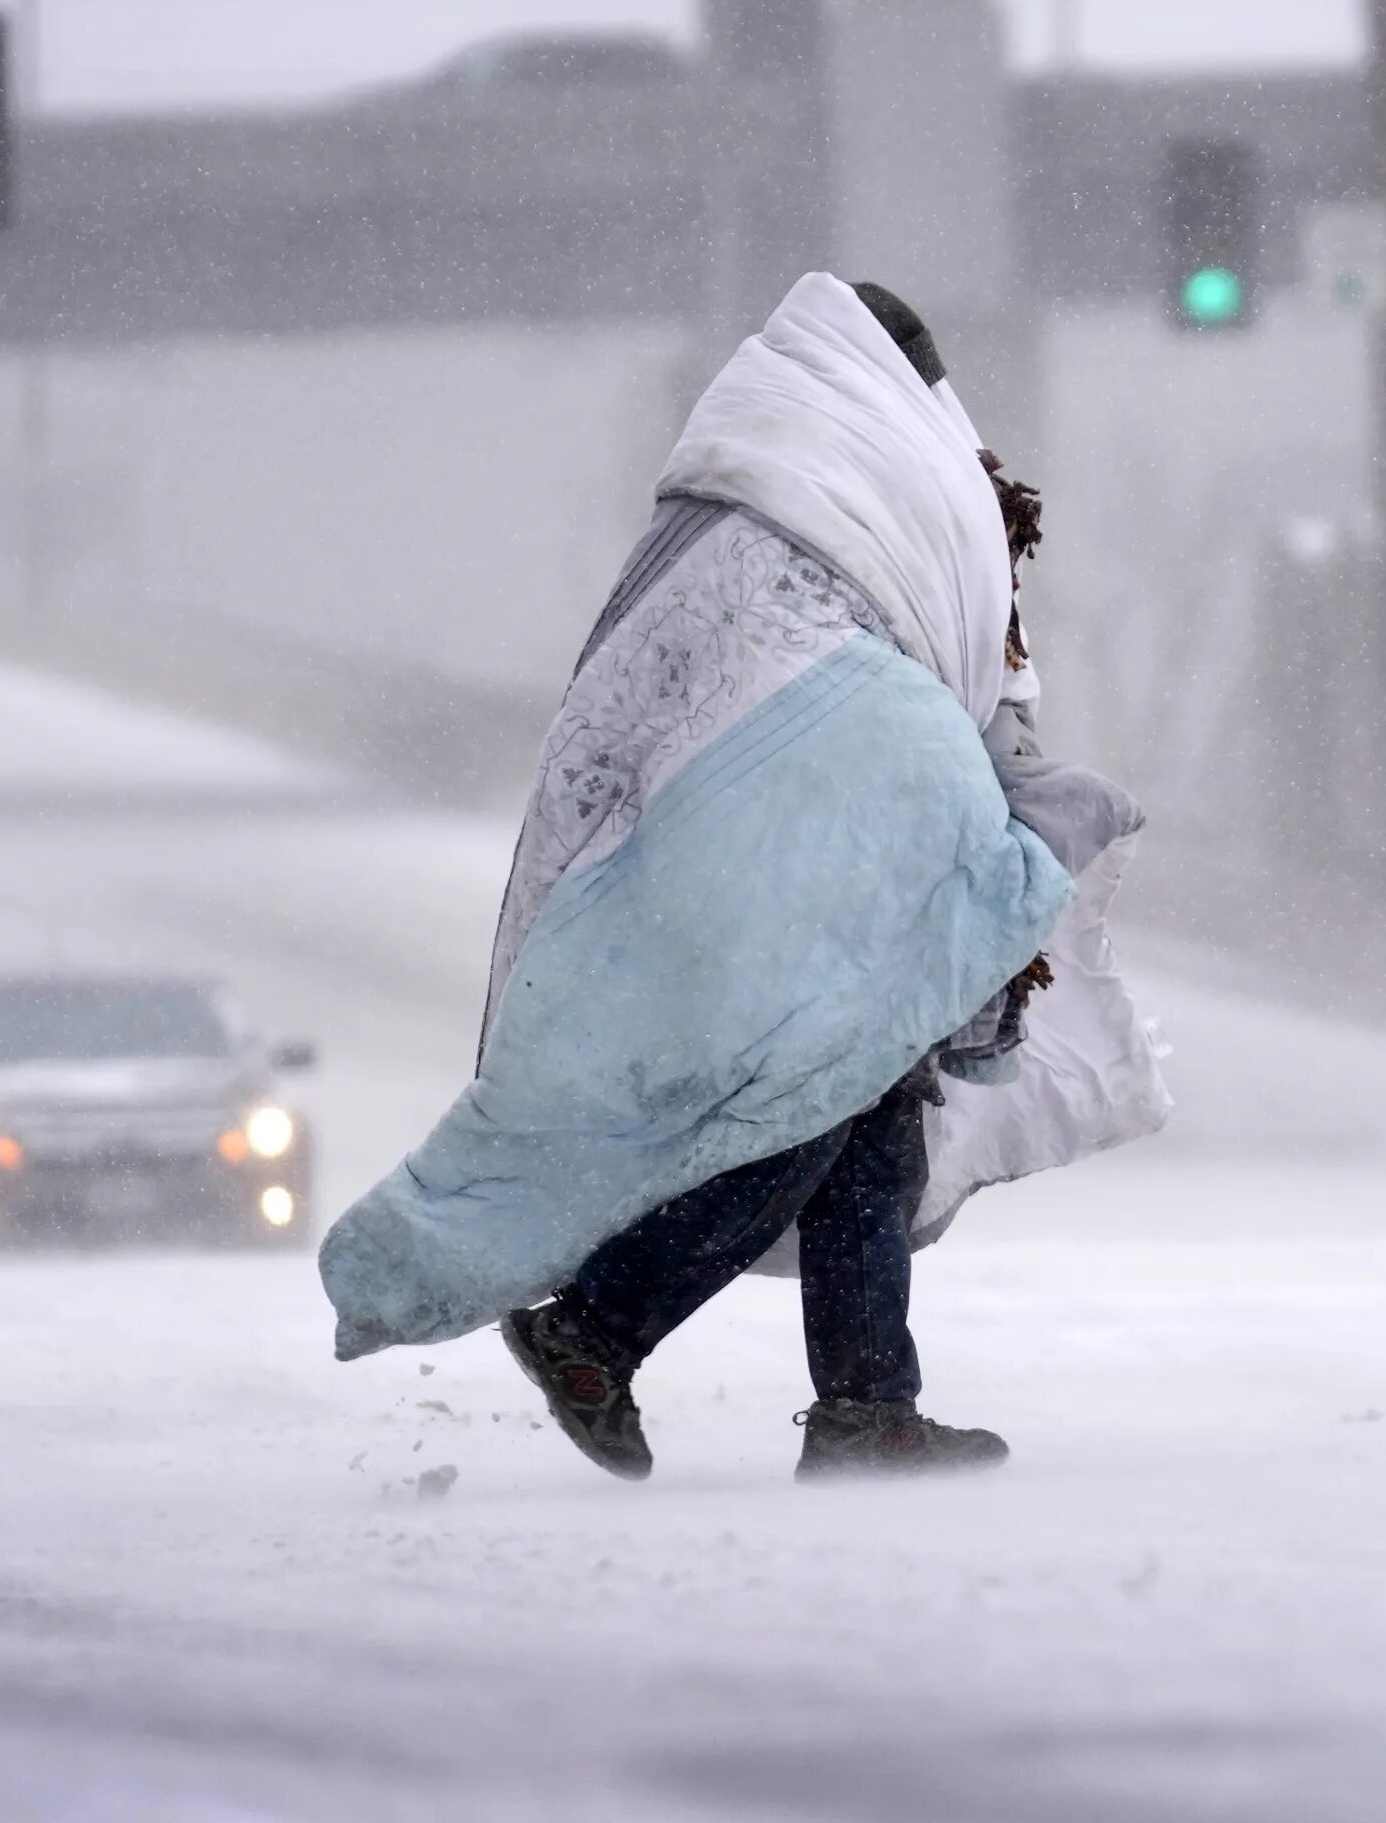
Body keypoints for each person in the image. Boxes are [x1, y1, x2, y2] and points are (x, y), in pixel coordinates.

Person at [318, 273, 1167, 1480]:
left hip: (707, 826)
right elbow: (958, 669)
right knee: (821, 1087)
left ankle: (867, 1403)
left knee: (866, 1095)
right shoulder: (900, 482)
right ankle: (597, 1328)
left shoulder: (742, 483)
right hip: (797, 824)